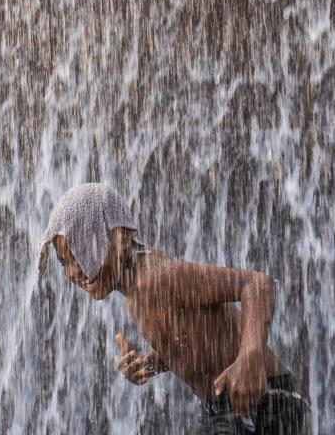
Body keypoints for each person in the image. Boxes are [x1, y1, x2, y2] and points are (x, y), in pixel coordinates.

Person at [38, 183, 311, 434]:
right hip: (224, 406)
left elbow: (256, 284)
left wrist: (250, 356)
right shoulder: (136, 292)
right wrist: (151, 364)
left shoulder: (156, 277)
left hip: (268, 399)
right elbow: (193, 340)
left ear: (117, 237)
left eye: (82, 252)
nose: (75, 271)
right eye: (65, 263)